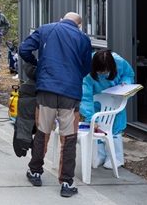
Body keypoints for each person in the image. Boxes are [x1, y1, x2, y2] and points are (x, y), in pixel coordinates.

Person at [18, 12, 92, 198]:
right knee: (68, 137)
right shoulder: (83, 39)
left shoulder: (46, 29)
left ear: (61, 19)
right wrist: (74, 77)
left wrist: (37, 64)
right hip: (70, 93)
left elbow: (24, 49)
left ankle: (35, 172)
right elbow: (86, 67)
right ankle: (66, 183)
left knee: (43, 131)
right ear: (79, 25)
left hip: (46, 90)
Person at [80, 49, 134, 170]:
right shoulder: (87, 68)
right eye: (100, 71)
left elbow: (129, 74)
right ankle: (100, 155)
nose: (103, 73)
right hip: (96, 100)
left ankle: (115, 158)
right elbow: (85, 96)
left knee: (114, 128)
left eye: (106, 70)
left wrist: (126, 82)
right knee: (98, 126)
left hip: (115, 98)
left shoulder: (119, 61)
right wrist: (90, 117)